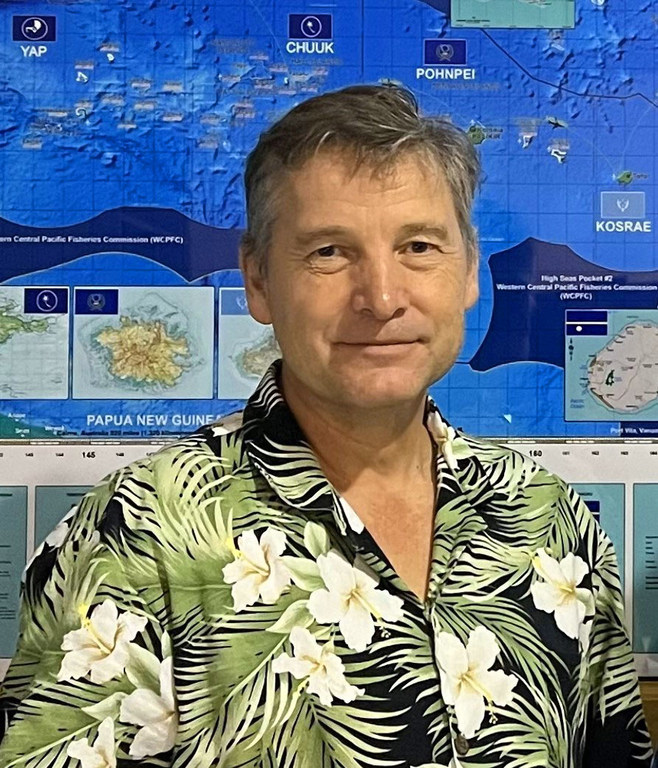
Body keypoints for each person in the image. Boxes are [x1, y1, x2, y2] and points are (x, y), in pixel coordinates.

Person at [0, 85, 652, 767]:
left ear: (467, 271)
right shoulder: (135, 536)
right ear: (257, 279)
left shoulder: (551, 518)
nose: (382, 298)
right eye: (330, 253)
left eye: (420, 246)